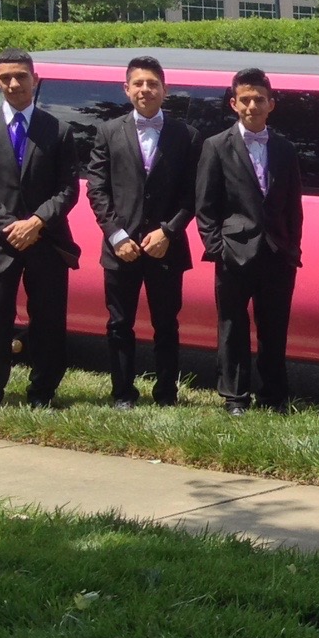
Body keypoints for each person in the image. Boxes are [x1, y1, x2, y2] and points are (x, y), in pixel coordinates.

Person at [0, 48, 80, 413]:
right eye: (6, 77)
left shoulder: (58, 131)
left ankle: (43, 391)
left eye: (21, 76)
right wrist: (10, 225)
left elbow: (68, 189)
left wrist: (37, 222)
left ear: (35, 80)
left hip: (47, 240)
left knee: (48, 319)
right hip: (0, 242)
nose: (14, 83)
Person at [85, 55, 198, 409]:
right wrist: (116, 235)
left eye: (152, 83)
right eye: (138, 83)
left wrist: (169, 231)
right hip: (121, 248)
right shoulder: (107, 131)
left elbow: (194, 193)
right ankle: (122, 393)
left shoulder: (187, 136)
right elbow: (97, 188)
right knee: (119, 324)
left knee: (167, 326)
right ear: (127, 89)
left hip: (167, 248)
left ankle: (166, 394)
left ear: (165, 89)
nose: (145, 90)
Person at [195, 67, 304, 415]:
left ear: (272, 104)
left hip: (277, 254)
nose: (252, 105)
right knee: (232, 326)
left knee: (275, 328)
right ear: (234, 103)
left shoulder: (286, 148)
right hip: (233, 253)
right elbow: (205, 206)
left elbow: (293, 206)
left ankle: (274, 395)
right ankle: (235, 396)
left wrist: (292, 249)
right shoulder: (215, 146)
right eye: (246, 99)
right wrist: (217, 249)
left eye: (260, 99)